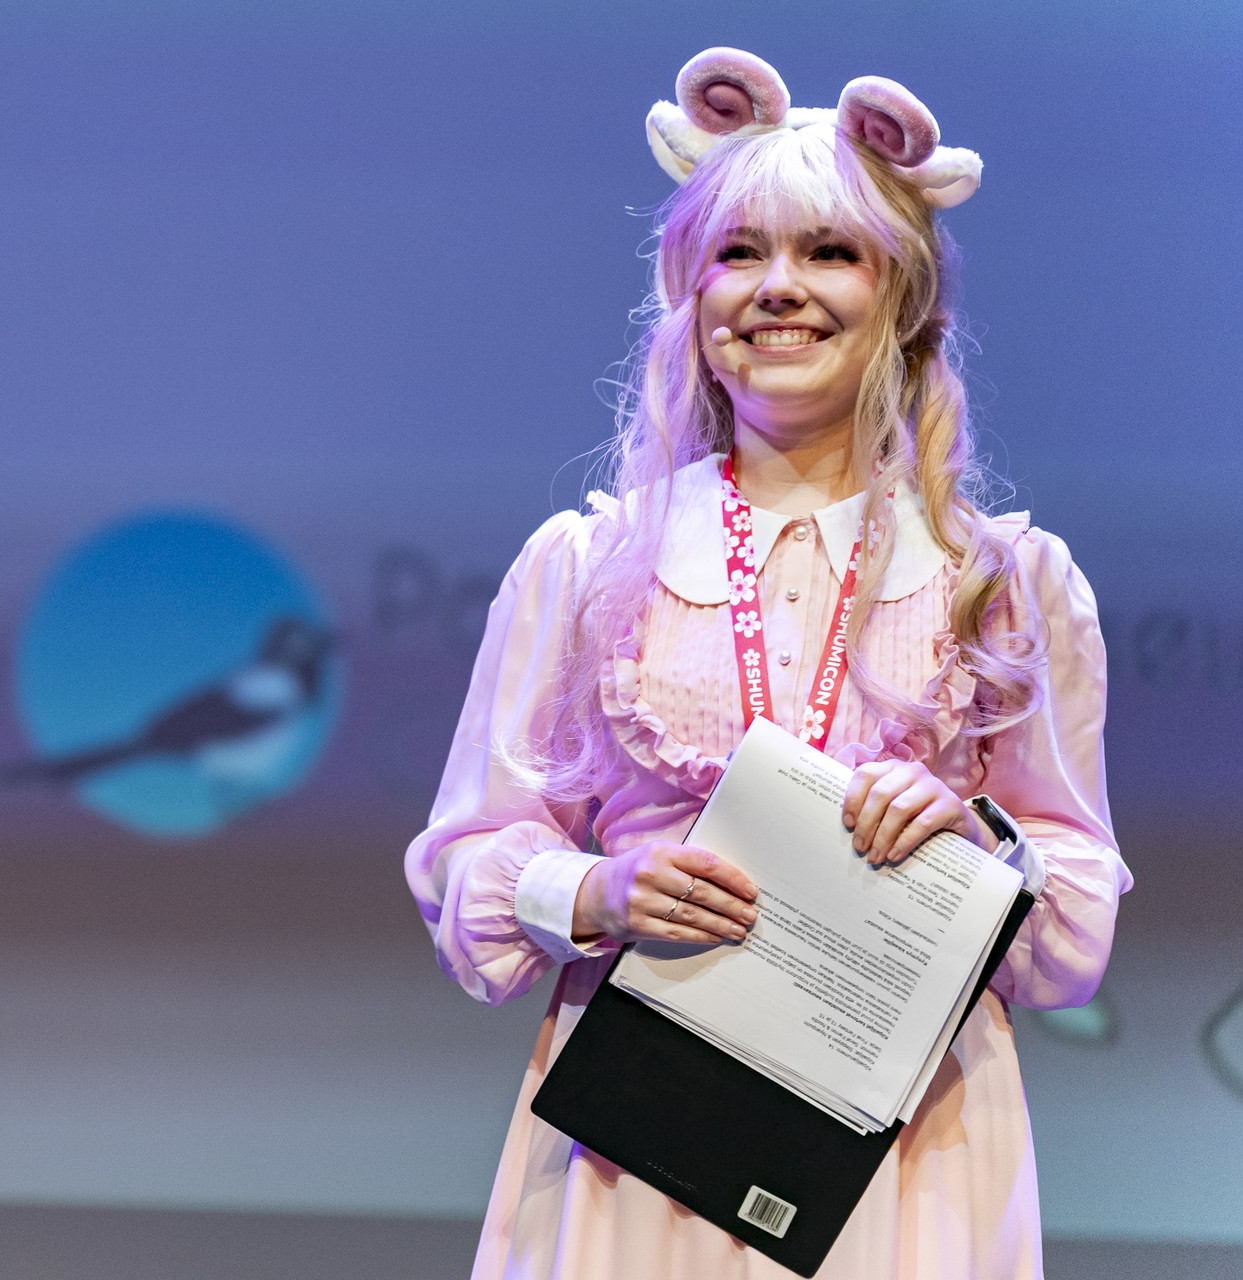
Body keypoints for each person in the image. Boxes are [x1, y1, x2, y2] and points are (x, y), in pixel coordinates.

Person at [404, 48, 1131, 1279]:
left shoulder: (1006, 577)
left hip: (904, 1151)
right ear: (691, 295)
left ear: (905, 296)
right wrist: (598, 891)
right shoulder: (589, 564)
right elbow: (466, 869)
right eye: (739, 253)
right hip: (642, 1139)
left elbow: (1072, 933)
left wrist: (975, 842)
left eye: (830, 252)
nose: (778, 288)